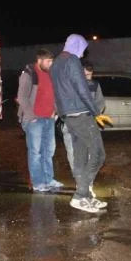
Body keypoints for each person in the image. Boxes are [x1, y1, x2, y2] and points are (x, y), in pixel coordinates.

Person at [50, 34, 108, 213]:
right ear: (76, 46)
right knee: (98, 154)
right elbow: (81, 88)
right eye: (82, 49)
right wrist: (96, 112)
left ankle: (86, 197)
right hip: (81, 114)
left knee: (80, 157)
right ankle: (81, 194)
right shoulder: (72, 60)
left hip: (68, 116)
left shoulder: (56, 63)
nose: (82, 54)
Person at [16, 48, 64, 193]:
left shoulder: (51, 74)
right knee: (35, 152)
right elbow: (22, 97)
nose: (50, 64)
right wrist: (31, 117)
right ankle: (38, 182)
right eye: (48, 61)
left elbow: (54, 94)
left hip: (49, 118)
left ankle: (48, 179)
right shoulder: (29, 74)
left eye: (52, 61)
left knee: (48, 151)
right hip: (34, 120)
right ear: (40, 60)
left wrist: (55, 111)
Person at [61, 61, 107, 196]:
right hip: (72, 125)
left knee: (92, 155)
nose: (87, 78)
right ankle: (81, 184)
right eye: (84, 75)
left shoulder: (94, 85)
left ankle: (87, 184)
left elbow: (100, 102)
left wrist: (94, 114)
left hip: (88, 124)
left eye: (89, 75)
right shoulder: (69, 85)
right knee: (74, 155)